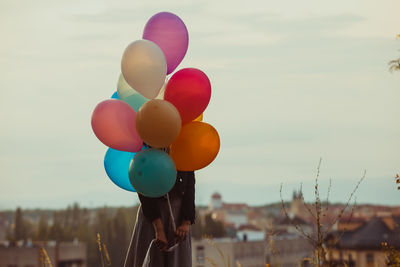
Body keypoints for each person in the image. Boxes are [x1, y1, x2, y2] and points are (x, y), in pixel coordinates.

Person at [123, 168, 196, 267]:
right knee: (149, 260)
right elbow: (143, 187)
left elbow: (189, 184)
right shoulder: (145, 153)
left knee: (178, 261)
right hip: (151, 217)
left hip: (178, 216)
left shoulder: (185, 154)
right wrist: (159, 229)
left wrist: (186, 221)